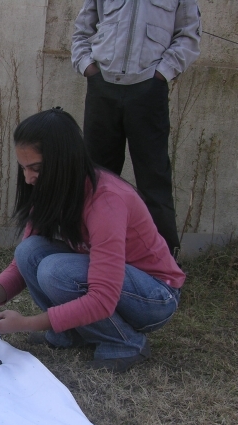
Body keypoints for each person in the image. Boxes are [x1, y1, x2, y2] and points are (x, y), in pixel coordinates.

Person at [0, 109, 185, 373]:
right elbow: (23, 262)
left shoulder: (107, 200)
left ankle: (126, 343)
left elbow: (103, 297)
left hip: (155, 297)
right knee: (30, 251)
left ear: (64, 161)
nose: (28, 179)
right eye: (24, 168)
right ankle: (70, 334)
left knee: (56, 271)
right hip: (120, 284)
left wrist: (26, 323)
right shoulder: (51, 189)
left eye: (36, 168)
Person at [71, 0, 201, 259]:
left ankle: (164, 269)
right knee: (95, 178)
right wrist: (89, 68)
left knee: (154, 178)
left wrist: (161, 74)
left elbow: (188, 35)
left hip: (148, 90)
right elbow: (82, 32)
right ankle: (88, 258)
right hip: (103, 88)